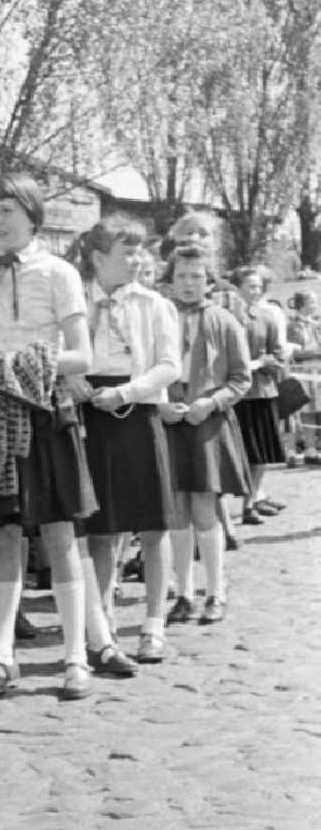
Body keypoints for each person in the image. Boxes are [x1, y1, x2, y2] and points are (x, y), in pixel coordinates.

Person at [0, 174, 99, 700]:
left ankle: (75, 658)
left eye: (8, 210)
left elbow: (85, 356)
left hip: (45, 409)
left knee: (59, 534)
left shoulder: (59, 272)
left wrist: (20, 364)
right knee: (4, 535)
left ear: (34, 215)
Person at [71, 219, 180, 664]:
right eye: (125, 253)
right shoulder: (77, 301)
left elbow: (169, 365)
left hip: (138, 409)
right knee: (101, 526)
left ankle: (153, 623)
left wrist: (127, 392)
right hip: (90, 412)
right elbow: (62, 346)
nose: (136, 261)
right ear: (98, 259)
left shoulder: (153, 304)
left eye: (140, 252)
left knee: (153, 523)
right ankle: (102, 624)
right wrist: (74, 379)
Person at [160, 246, 251, 626]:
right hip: (169, 420)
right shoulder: (159, 316)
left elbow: (240, 378)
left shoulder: (225, 320)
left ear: (209, 280)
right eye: (181, 275)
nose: (188, 283)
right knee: (176, 509)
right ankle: (183, 592)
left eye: (197, 276)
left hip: (207, 421)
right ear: (170, 279)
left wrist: (212, 403)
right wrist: (161, 401)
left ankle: (215, 590)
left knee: (203, 506)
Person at [232, 266, 286, 523]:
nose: (254, 291)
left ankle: (251, 502)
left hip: (262, 391)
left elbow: (277, 353)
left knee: (262, 453)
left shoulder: (267, 317)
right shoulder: (227, 316)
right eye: (249, 286)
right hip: (235, 395)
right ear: (237, 288)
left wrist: (268, 361)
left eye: (257, 286)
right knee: (241, 452)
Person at [286, 291, 321, 465]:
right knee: (299, 412)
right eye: (312, 301)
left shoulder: (315, 324)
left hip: (315, 373)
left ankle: (311, 449)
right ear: (301, 304)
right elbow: (294, 352)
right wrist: (317, 352)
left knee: (313, 411)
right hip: (300, 373)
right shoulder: (292, 326)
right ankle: (295, 450)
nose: (315, 304)